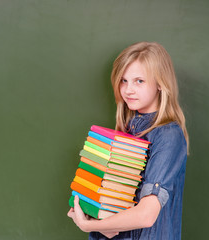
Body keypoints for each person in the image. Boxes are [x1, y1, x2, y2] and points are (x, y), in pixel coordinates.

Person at [67, 41, 189, 240]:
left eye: (139, 81)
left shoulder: (168, 135)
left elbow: (147, 215)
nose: (128, 90)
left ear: (160, 83)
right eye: (124, 80)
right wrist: (89, 209)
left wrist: (88, 225)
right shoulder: (129, 127)